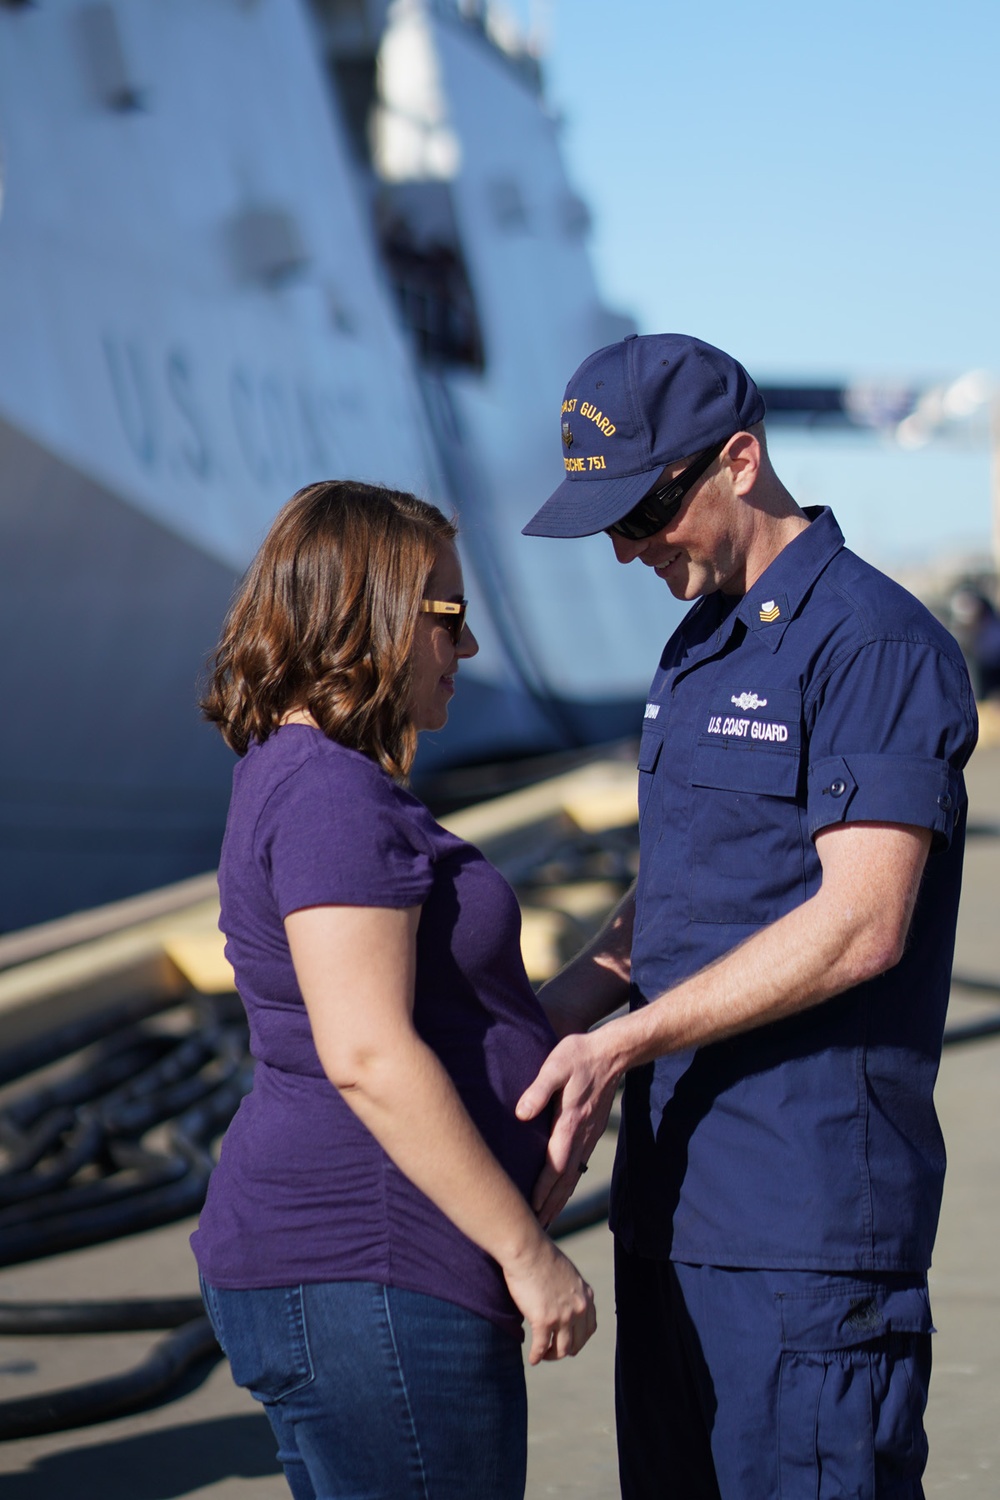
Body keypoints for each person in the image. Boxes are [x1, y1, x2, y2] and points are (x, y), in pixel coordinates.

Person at [515, 333, 978, 1499]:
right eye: (608, 525)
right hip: (672, 1206)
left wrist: (620, 1042)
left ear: (737, 460)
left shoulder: (874, 647)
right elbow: (700, 878)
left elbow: (862, 919)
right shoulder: (703, 645)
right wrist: (555, 1007)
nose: (626, 550)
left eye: (644, 514)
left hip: (802, 1231)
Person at [191, 480, 595, 1500]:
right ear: (365, 613)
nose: (465, 651)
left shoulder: (302, 775)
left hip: (361, 1269)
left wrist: (619, 962)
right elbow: (367, 1054)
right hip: (371, 1267)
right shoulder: (331, 794)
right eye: (448, 619)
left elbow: (455, 1024)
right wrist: (525, 1253)